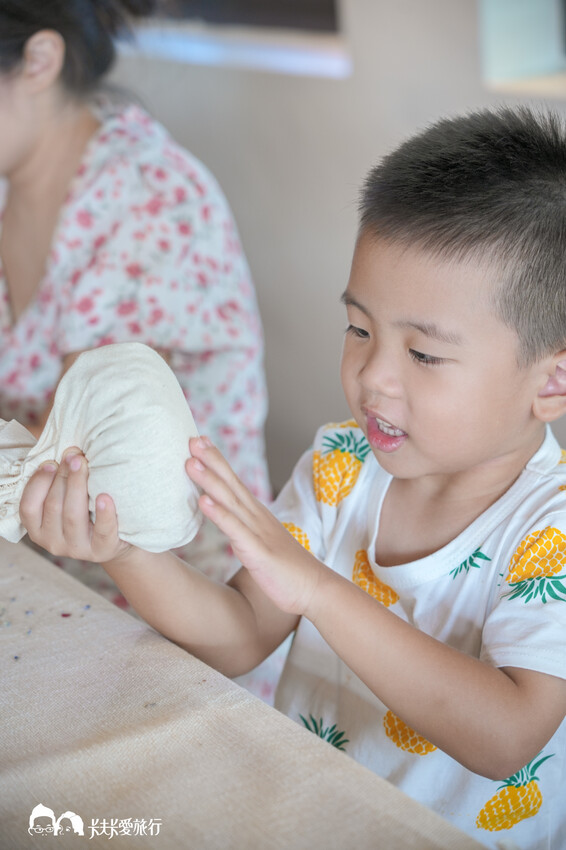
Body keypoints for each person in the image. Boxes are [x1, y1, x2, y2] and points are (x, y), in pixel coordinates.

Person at [20, 106, 566, 849]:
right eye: (360, 329)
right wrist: (122, 550)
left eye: (425, 356)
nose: (373, 376)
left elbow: (506, 738)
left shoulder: (550, 530)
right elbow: (241, 637)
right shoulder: (342, 467)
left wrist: (314, 586)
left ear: (552, 382)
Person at [0, 1, 278, 697]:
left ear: (38, 60)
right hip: (50, 572)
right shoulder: (14, 187)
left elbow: (78, 458)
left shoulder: (148, 201)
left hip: (186, 607)